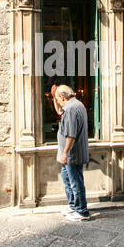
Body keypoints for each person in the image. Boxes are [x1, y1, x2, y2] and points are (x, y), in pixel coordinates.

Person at [52, 84, 90, 222]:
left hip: (72, 154)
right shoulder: (75, 105)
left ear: (62, 97)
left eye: (58, 98)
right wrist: (53, 98)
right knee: (69, 179)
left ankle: (82, 211)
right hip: (71, 153)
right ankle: (74, 206)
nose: (57, 101)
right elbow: (59, 112)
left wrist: (65, 154)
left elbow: (71, 135)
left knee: (75, 182)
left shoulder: (71, 109)